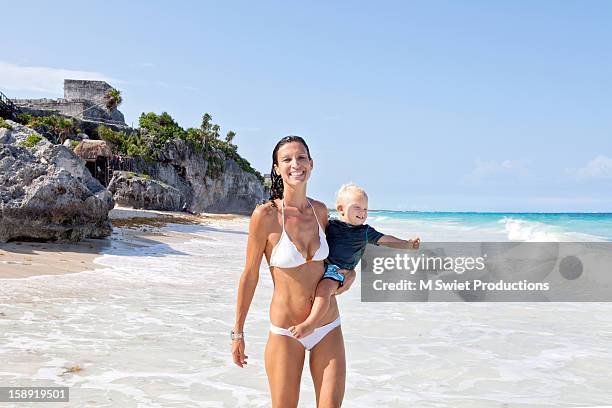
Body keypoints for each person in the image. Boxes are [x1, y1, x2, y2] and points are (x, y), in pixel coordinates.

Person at [232, 136, 353, 407]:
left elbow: (337, 263)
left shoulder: (320, 211)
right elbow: (250, 275)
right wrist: (238, 332)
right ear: (276, 168)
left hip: (327, 325)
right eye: (286, 159)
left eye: (301, 158)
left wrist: (350, 275)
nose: (295, 164)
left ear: (311, 164)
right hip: (286, 331)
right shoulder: (265, 215)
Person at [288, 182, 420, 339]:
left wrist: (406, 244)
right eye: (357, 207)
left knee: (324, 290)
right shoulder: (331, 225)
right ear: (341, 209)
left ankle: (310, 324)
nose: (363, 212)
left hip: (338, 271)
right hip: (321, 266)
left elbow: (385, 239)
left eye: (365, 209)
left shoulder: (364, 232)